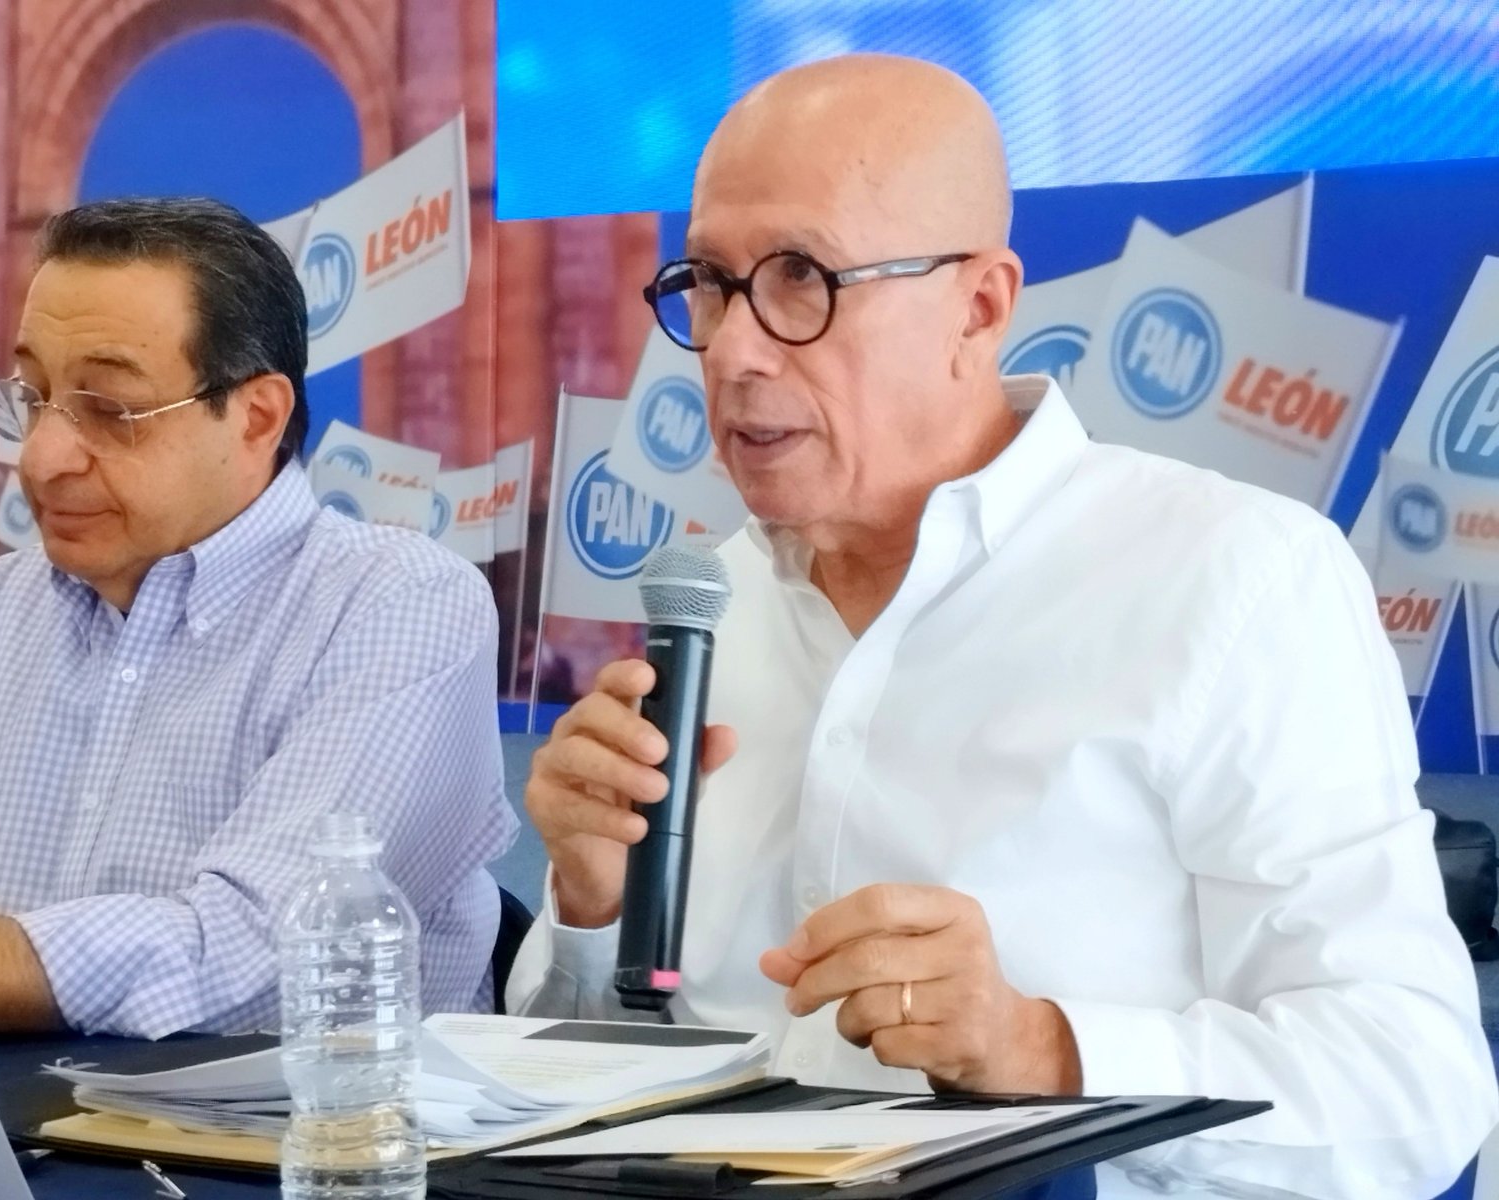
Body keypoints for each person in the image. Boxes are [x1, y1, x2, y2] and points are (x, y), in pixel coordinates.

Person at [508, 54, 1496, 1198]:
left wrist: (1044, 1050)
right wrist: (592, 908)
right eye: (711, 284)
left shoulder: (1233, 579)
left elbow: (1411, 1089)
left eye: (800, 278)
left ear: (977, 307)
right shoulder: (711, 601)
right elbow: (565, 1095)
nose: (732, 349)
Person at [0, 198, 515, 1038]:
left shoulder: (399, 605)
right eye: (33, 399)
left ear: (257, 416)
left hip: (297, 1117)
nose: (42, 458)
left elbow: (270, 953)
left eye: (110, 409)